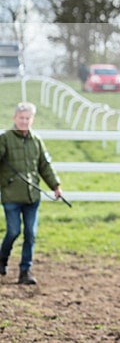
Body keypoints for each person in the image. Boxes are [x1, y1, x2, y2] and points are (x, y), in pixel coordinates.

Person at [0, 102, 63, 285]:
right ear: (15, 118)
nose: (24, 121)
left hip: (32, 196)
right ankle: (2, 258)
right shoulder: (5, 139)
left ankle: (25, 270)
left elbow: (44, 165)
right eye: (21, 118)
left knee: (31, 233)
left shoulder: (37, 141)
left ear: (32, 120)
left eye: (27, 118)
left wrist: (55, 185)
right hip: (11, 195)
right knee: (13, 231)